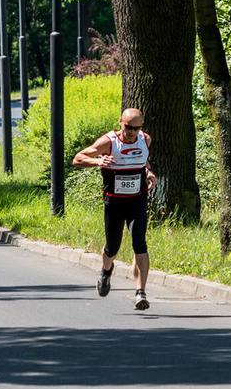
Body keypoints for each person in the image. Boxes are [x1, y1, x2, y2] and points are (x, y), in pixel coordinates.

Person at [72, 108, 157, 310]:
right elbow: (77, 159)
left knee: (140, 243)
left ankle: (140, 293)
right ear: (121, 122)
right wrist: (98, 161)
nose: (131, 132)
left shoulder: (145, 140)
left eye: (136, 128)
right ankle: (106, 270)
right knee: (112, 248)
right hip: (114, 203)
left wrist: (148, 172)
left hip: (137, 201)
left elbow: (141, 161)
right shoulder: (109, 142)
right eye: (128, 127)